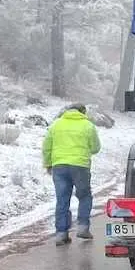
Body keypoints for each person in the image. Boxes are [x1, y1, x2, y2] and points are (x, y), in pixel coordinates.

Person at [43, 103, 101, 246]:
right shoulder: (88, 125)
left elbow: (46, 146)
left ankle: (61, 234)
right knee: (84, 195)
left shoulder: (56, 125)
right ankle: (82, 227)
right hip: (80, 166)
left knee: (62, 200)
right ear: (82, 112)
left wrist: (48, 164)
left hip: (59, 166)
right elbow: (95, 148)